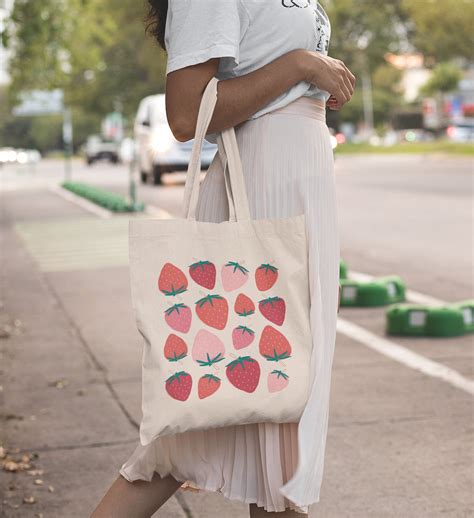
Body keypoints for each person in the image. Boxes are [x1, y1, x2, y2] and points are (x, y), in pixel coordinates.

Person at [92, 1, 355, 517]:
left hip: (298, 189)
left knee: (248, 427)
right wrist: (300, 65)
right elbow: (187, 115)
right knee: (281, 416)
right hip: (264, 195)